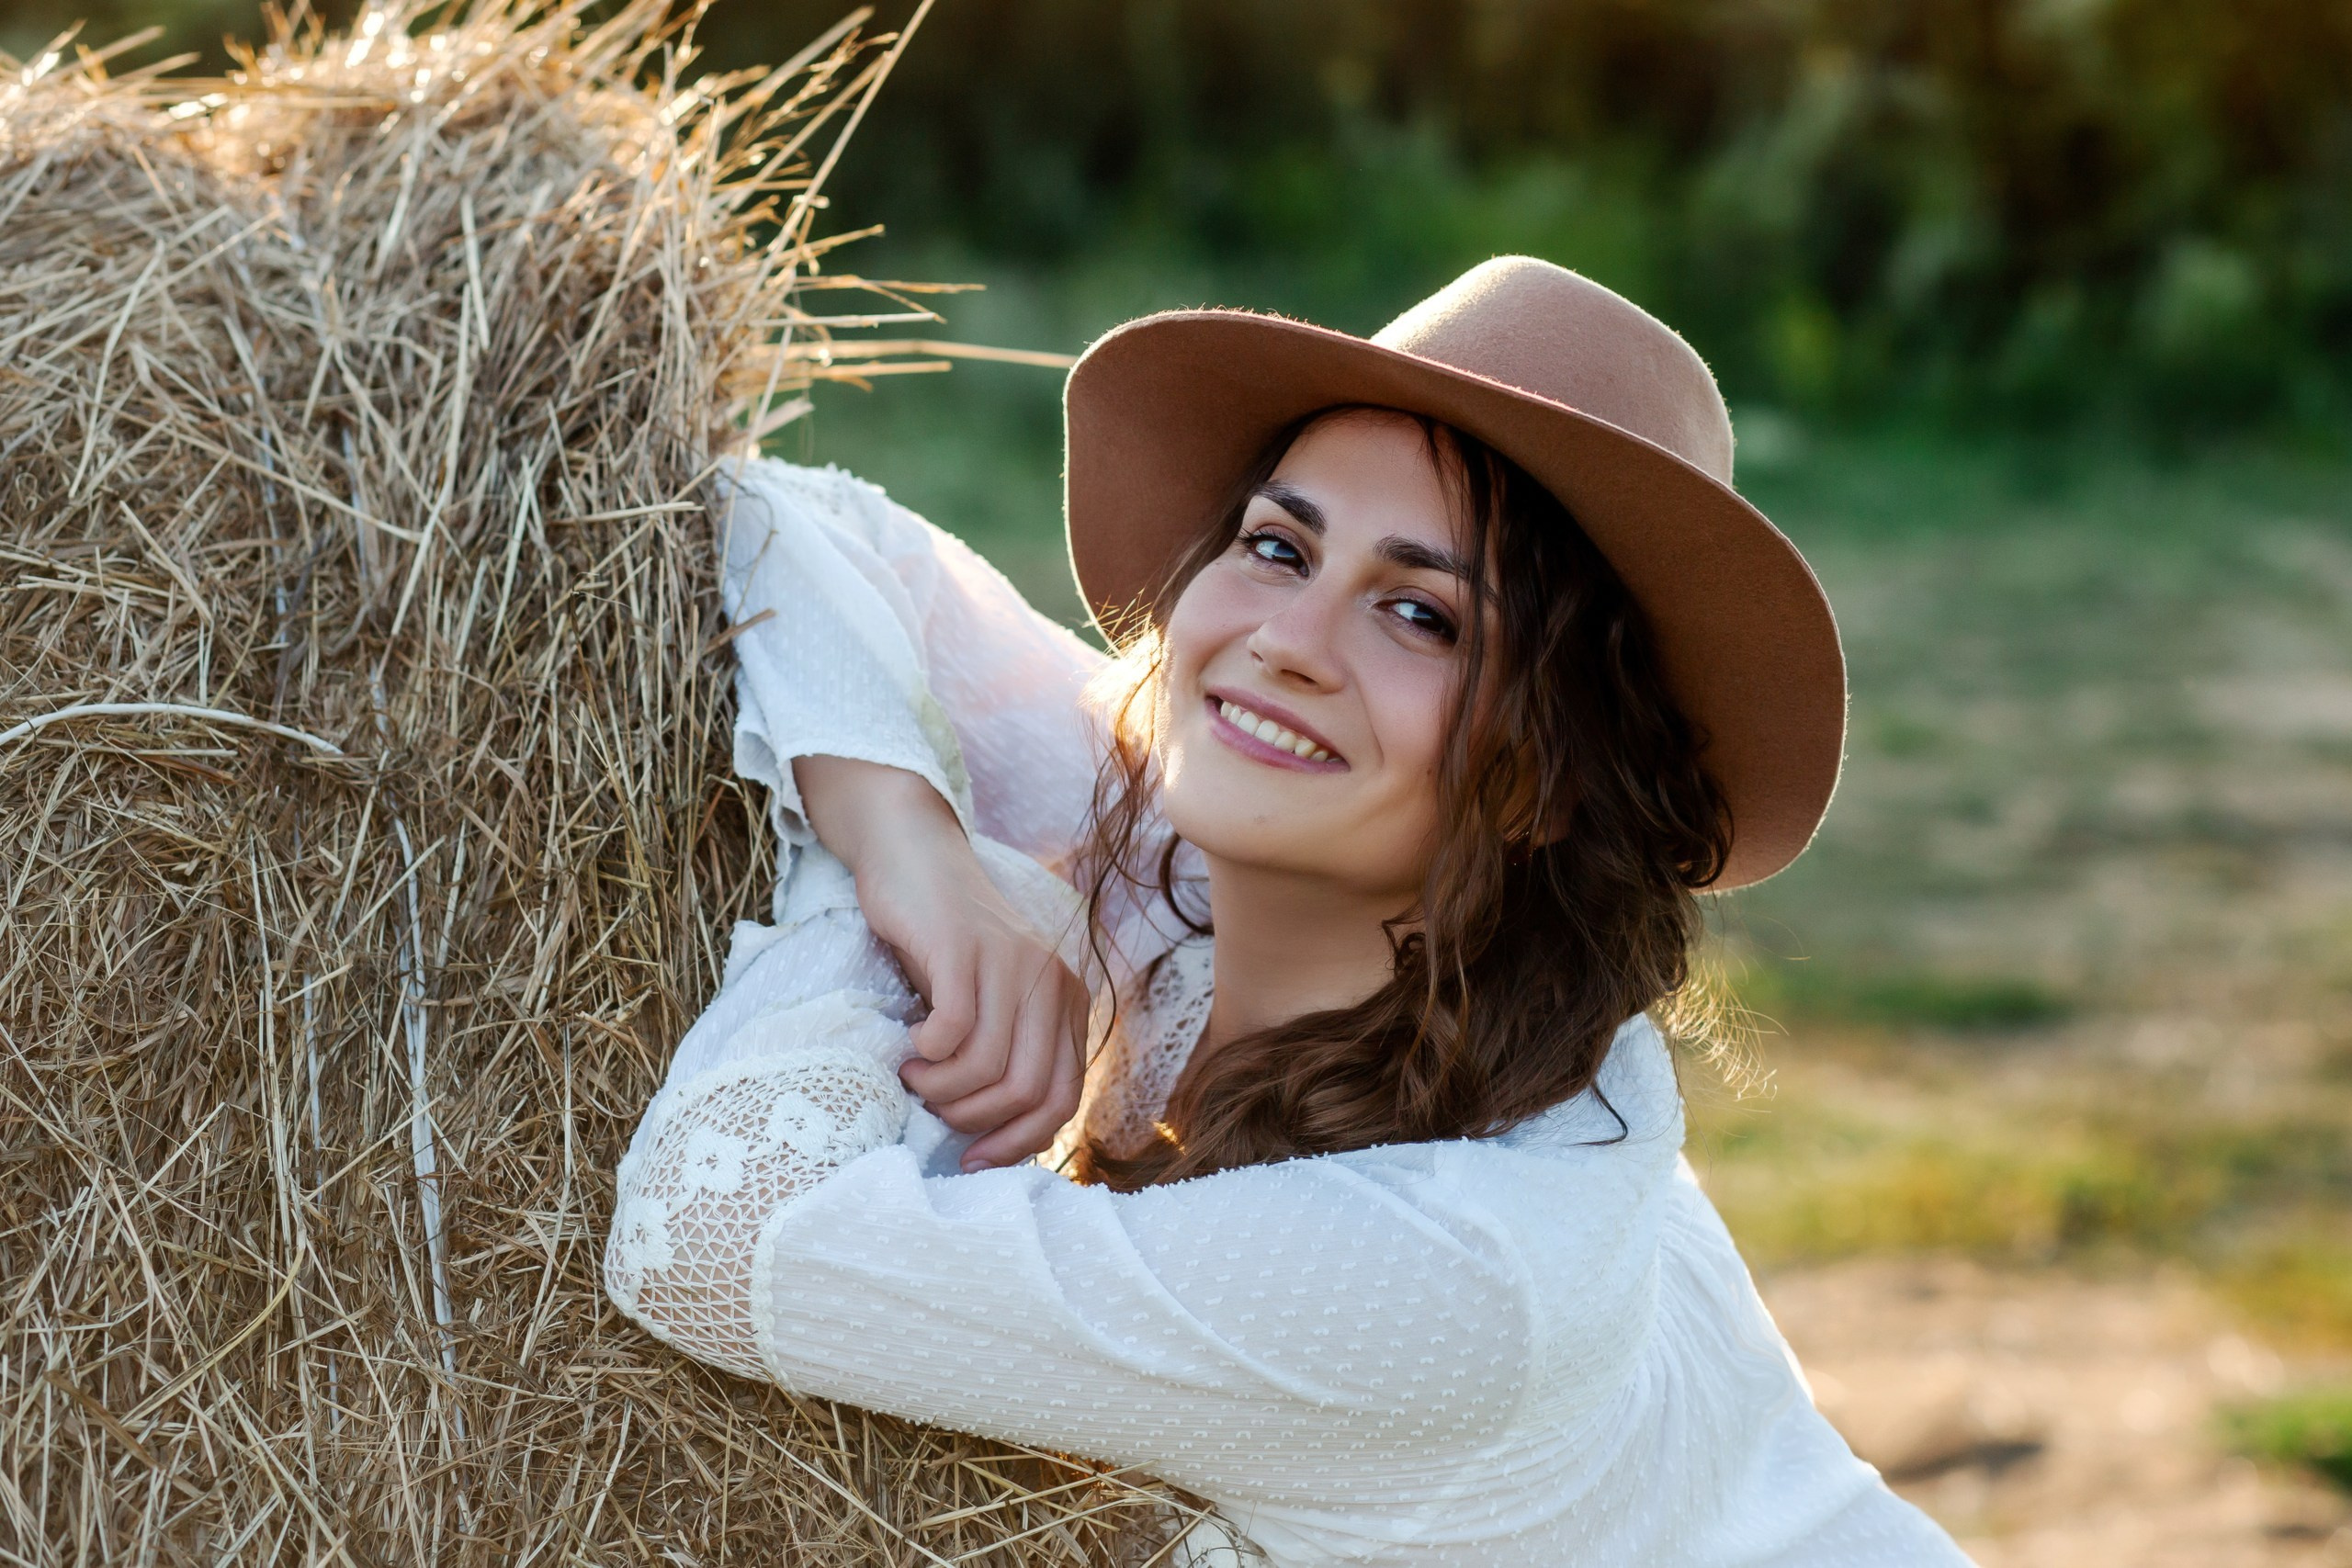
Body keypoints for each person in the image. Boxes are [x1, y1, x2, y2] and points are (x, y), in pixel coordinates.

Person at [603, 256, 1973, 1565]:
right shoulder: (1231, 871)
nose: (1288, 642)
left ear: (1554, 777)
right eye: (1277, 545)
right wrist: (919, 853)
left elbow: (706, 1241)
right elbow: (791, 516)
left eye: (1423, 617)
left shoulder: (1451, 1281)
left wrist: (903, 906)